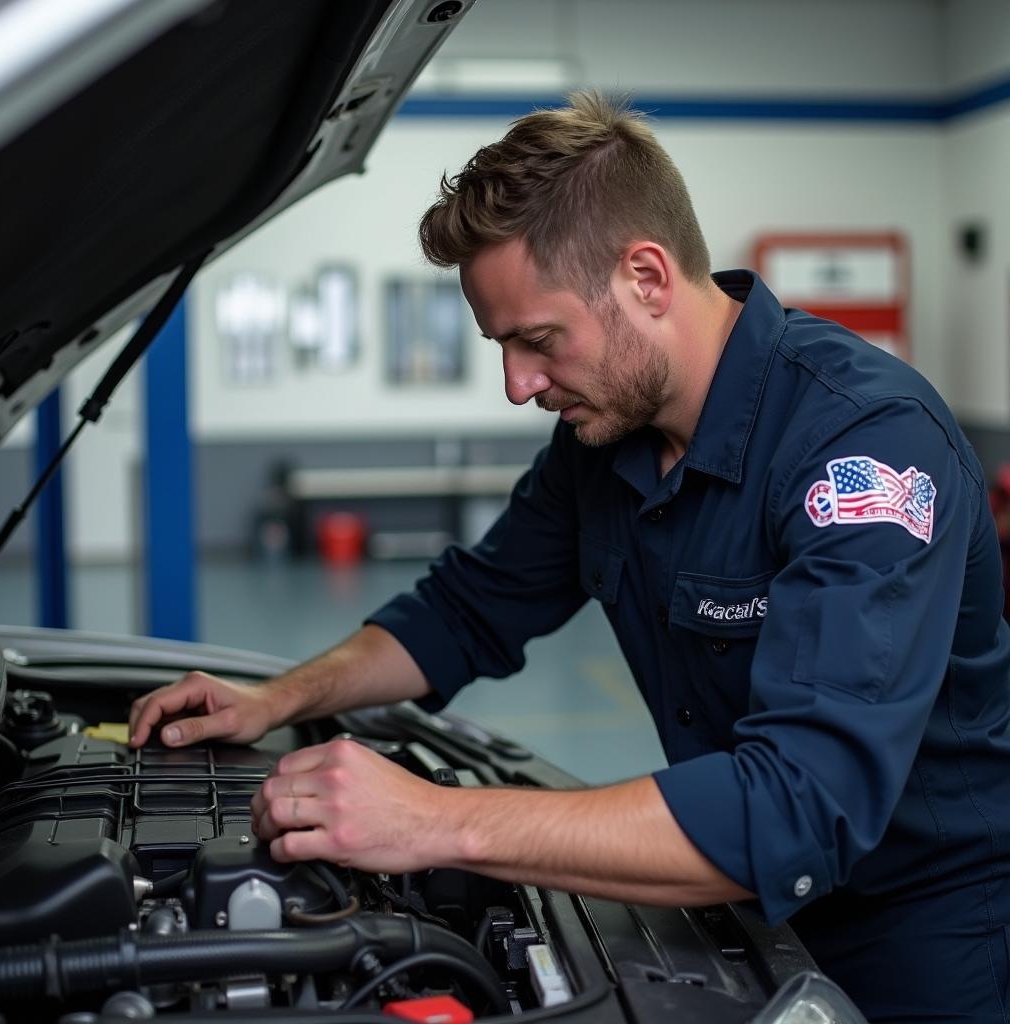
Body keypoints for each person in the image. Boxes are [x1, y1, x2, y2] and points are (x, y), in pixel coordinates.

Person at [129, 92, 1010, 1022]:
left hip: (922, 936)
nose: (517, 385)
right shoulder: (602, 448)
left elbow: (797, 806)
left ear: (647, 277)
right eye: (501, 346)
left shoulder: (864, 448)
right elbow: (466, 610)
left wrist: (435, 821)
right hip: (736, 910)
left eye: (536, 340)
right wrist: (276, 697)